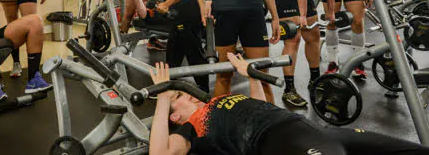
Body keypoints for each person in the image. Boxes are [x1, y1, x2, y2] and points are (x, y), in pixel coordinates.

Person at [148, 54, 429, 155]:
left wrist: (250, 77)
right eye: (181, 97)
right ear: (174, 116)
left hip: (311, 129)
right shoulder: (190, 129)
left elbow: (258, 105)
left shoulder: (219, 101)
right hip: (279, 141)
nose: (191, 95)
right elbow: (160, 153)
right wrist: (163, 97)